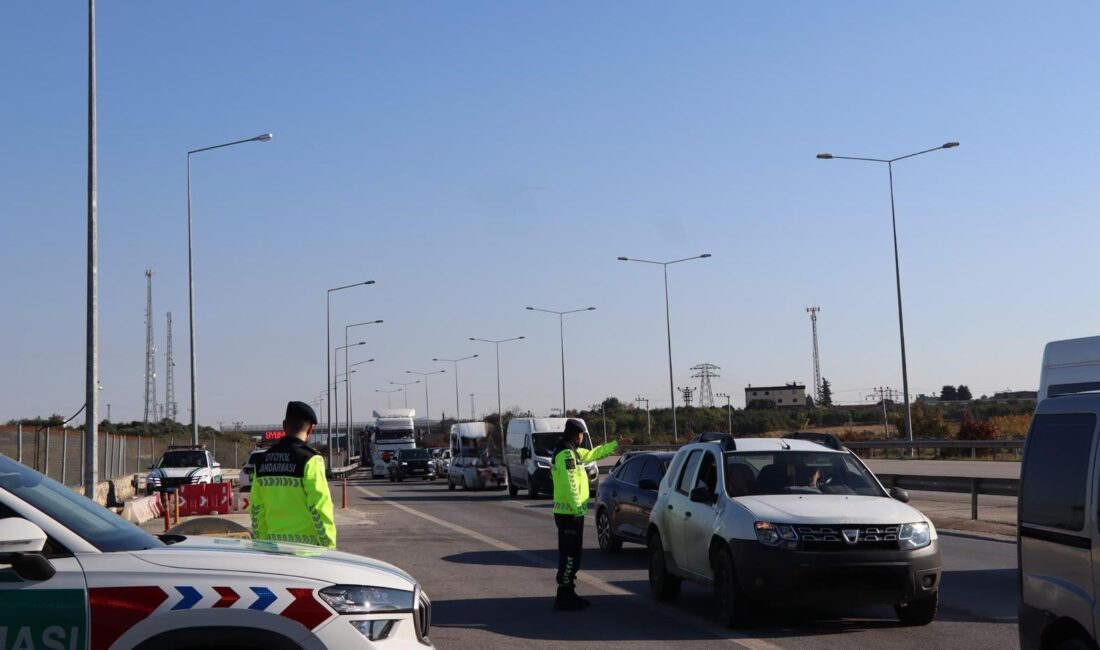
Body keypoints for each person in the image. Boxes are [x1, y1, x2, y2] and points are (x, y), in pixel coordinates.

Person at [551, 418, 619, 611]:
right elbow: (571, 483)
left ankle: (568, 592)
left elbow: (593, 454)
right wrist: (577, 508)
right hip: (569, 514)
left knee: (574, 555)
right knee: (570, 556)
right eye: (581, 434)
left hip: (573, 513)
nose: (582, 438)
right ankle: (564, 595)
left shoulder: (573, 452)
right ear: (575, 434)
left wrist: (616, 445)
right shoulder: (566, 454)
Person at [249, 401, 337, 548]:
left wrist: (262, 545)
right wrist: (329, 547)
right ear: (310, 431)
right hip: (307, 554)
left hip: (273, 550)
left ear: (284, 426)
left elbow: (257, 510)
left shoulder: (262, 460)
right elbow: (320, 508)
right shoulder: (311, 460)